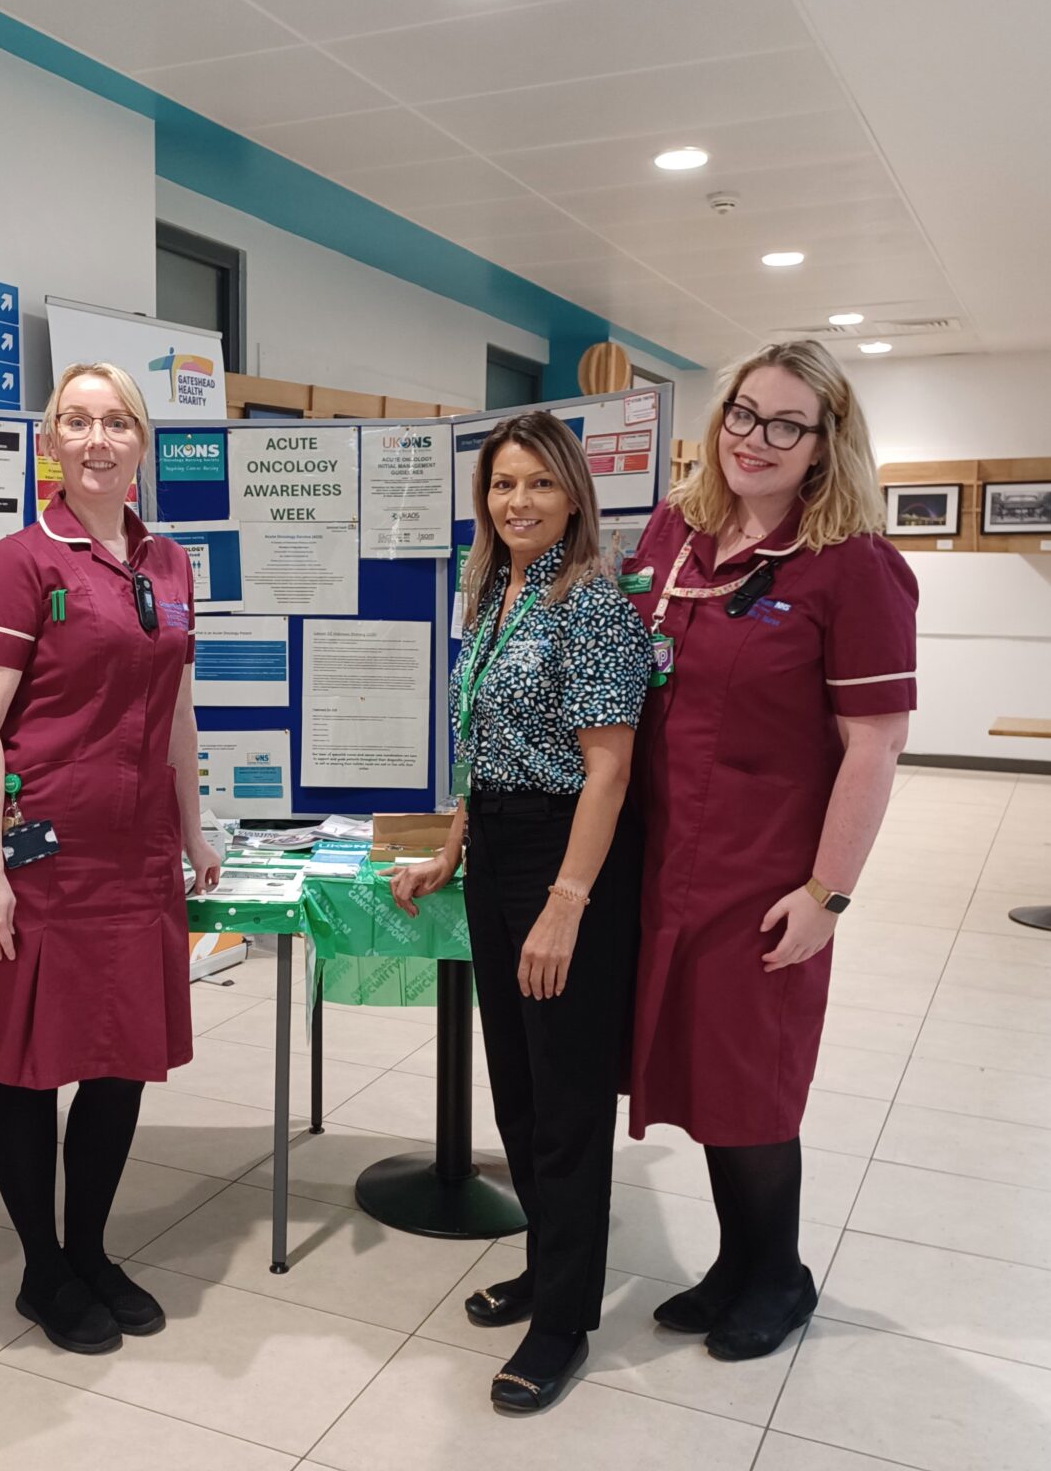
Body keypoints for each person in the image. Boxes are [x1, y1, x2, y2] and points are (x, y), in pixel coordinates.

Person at [622, 339, 916, 1362]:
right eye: (743, 413)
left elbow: (873, 744)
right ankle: (731, 1265)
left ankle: (778, 1274)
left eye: (784, 423)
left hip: (764, 874)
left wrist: (826, 893)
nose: (753, 439)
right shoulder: (673, 534)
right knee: (698, 1072)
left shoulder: (853, 568)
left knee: (751, 1082)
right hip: (663, 862)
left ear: (825, 443)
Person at [0, 361, 221, 1354]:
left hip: (137, 858)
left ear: (142, 444)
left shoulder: (171, 563)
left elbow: (177, 707)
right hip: (41, 857)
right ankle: (42, 1269)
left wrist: (193, 828)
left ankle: (90, 1247)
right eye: (76, 422)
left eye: (116, 423)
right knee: (31, 1067)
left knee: (117, 1062)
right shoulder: (17, 563)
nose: (97, 440)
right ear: (50, 442)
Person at [391, 411, 649, 1414]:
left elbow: (609, 767)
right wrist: (448, 849)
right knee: (519, 1091)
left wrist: (564, 906)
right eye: (502, 484)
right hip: (498, 844)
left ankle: (563, 1321)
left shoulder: (590, 604)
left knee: (568, 1100)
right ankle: (548, 1268)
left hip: (563, 854)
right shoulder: (493, 592)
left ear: (574, 493)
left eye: (539, 483)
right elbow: (476, 744)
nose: (518, 501)